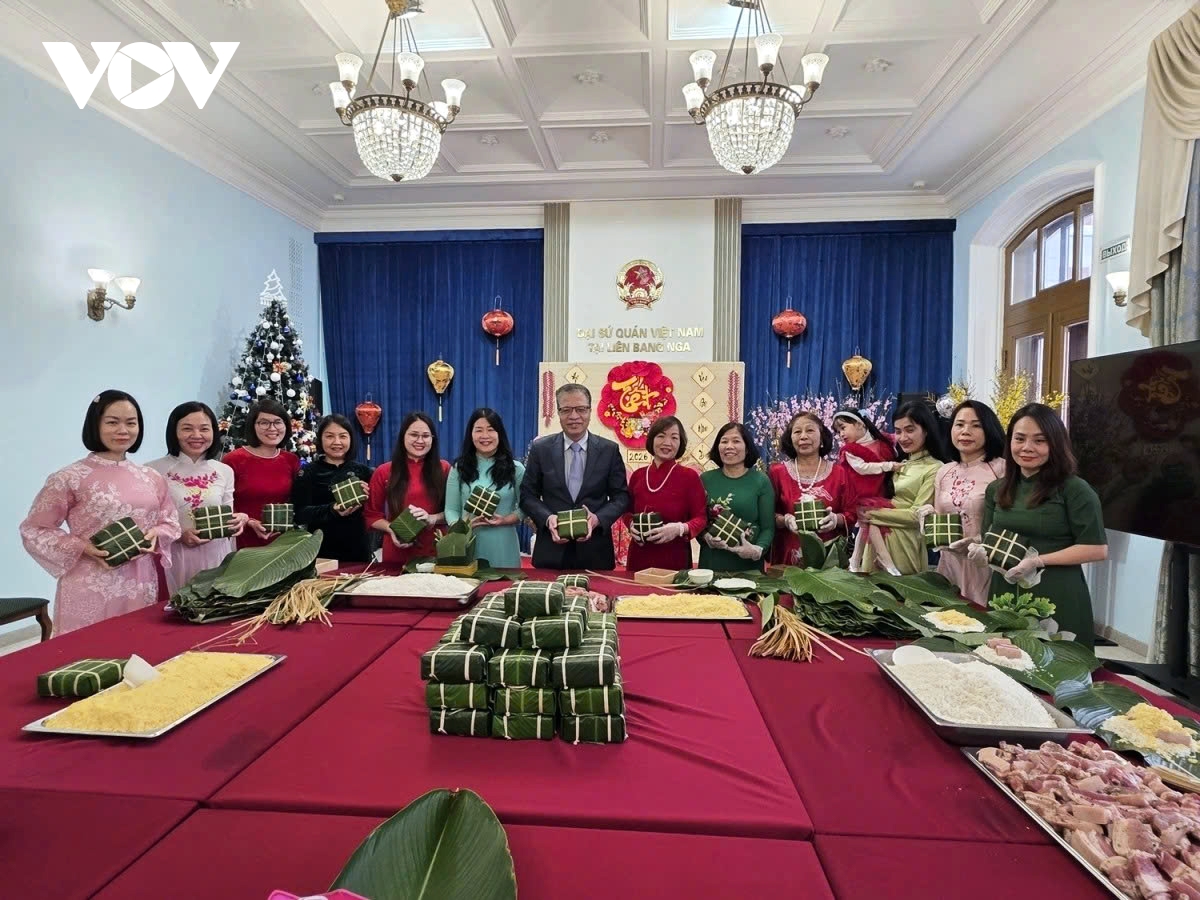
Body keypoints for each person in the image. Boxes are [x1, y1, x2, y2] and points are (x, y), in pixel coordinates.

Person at [20, 390, 181, 635]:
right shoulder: (69, 478)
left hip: (141, 583)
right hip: (89, 584)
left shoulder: (151, 478)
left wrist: (156, 534)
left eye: (131, 423)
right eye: (112, 422)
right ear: (95, 425)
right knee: (87, 655)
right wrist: (81, 547)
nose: (123, 430)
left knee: (136, 651)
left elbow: (170, 521)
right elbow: (34, 530)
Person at [973, 403, 1108, 646]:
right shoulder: (997, 489)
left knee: (1055, 672)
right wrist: (974, 548)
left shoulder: (1075, 490)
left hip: (1057, 592)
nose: (1027, 448)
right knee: (1004, 669)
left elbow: (1096, 548)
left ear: (1055, 444)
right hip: (1005, 590)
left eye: (1039, 440)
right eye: (1020, 439)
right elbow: (989, 541)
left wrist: (1038, 561)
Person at [520, 384, 630, 569]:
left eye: (580, 409)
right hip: (551, 551)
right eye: (566, 410)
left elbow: (621, 497)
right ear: (558, 412)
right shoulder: (541, 449)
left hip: (595, 552)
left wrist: (597, 519)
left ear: (589, 410)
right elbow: (527, 496)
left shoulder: (608, 450)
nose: (574, 416)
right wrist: (548, 519)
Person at [147, 401, 247, 594]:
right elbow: (148, 522)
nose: (196, 435)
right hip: (174, 555)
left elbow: (227, 515)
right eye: (187, 428)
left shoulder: (224, 471)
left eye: (204, 429)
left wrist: (239, 520)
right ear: (173, 432)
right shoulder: (153, 470)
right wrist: (179, 535)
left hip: (216, 555)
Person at [918, 401, 1006, 606]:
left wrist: (979, 540)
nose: (966, 431)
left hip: (985, 564)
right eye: (959, 425)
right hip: (949, 564)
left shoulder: (1002, 469)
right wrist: (928, 518)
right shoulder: (944, 471)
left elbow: (1008, 522)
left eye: (976, 425)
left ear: (989, 430)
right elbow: (941, 521)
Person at [852, 401, 947, 575]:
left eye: (910, 430)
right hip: (875, 539)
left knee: (901, 596)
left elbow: (916, 515)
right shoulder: (897, 464)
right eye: (898, 431)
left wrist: (869, 514)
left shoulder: (935, 467)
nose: (903, 437)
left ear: (926, 430)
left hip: (904, 543)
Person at [768, 411, 856, 566]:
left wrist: (836, 520)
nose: (803, 436)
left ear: (822, 436)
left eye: (810, 430)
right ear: (790, 439)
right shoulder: (777, 472)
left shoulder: (840, 473)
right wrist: (786, 520)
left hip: (829, 560)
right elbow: (768, 514)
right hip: (787, 559)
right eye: (797, 432)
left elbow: (852, 513)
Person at [364, 412, 450, 567]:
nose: (420, 440)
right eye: (414, 435)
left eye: (425, 436)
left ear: (433, 439)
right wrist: (392, 529)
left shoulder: (445, 469)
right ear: (403, 436)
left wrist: (432, 518)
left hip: (436, 549)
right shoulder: (383, 471)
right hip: (397, 549)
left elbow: (454, 512)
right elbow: (371, 516)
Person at [445, 408, 525, 569]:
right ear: (471, 434)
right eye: (478, 430)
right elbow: (451, 509)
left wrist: (504, 520)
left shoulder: (516, 469)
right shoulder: (458, 468)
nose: (485, 436)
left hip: (504, 545)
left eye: (491, 430)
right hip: (468, 544)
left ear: (500, 434)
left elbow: (525, 508)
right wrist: (462, 527)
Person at [626, 415, 708, 572]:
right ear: (651, 440)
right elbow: (627, 511)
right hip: (639, 555)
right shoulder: (638, 475)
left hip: (674, 556)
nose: (667, 443)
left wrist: (679, 528)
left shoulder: (689, 476)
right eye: (661, 436)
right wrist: (630, 525)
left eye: (674, 437)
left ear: (680, 443)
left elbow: (701, 518)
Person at [291, 414, 373, 563]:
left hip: (358, 549)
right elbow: (299, 514)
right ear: (321, 439)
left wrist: (369, 497)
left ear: (351, 439)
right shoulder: (308, 472)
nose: (337, 442)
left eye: (343, 436)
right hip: (321, 551)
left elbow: (375, 512)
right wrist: (332, 510)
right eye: (329, 436)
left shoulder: (363, 471)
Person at [223, 399, 301, 548]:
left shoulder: (291, 460)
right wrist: (250, 522)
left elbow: (297, 500)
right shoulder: (233, 460)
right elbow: (223, 503)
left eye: (278, 422)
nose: (272, 428)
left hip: (282, 540)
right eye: (264, 423)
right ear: (253, 426)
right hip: (243, 539)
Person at [699, 422, 775, 572]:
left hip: (748, 566)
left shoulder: (761, 480)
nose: (729, 446)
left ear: (747, 449)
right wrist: (705, 537)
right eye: (724, 441)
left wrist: (757, 550)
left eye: (736, 441)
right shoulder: (705, 479)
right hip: (712, 562)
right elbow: (697, 520)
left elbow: (768, 528)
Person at [833, 409, 897, 514]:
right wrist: (889, 466)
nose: (841, 434)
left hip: (883, 495)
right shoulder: (849, 450)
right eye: (838, 432)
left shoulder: (883, 445)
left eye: (843, 428)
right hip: (859, 500)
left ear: (859, 424)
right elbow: (862, 468)